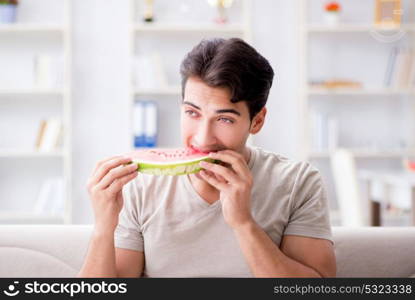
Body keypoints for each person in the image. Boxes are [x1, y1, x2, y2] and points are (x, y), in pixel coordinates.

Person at [77, 38, 336, 278]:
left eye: (224, 119)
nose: (203, 138)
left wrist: (243, 223)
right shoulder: (140, 185)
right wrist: (103, 227)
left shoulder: (298, 183)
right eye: (192, 113)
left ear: (257, 121)